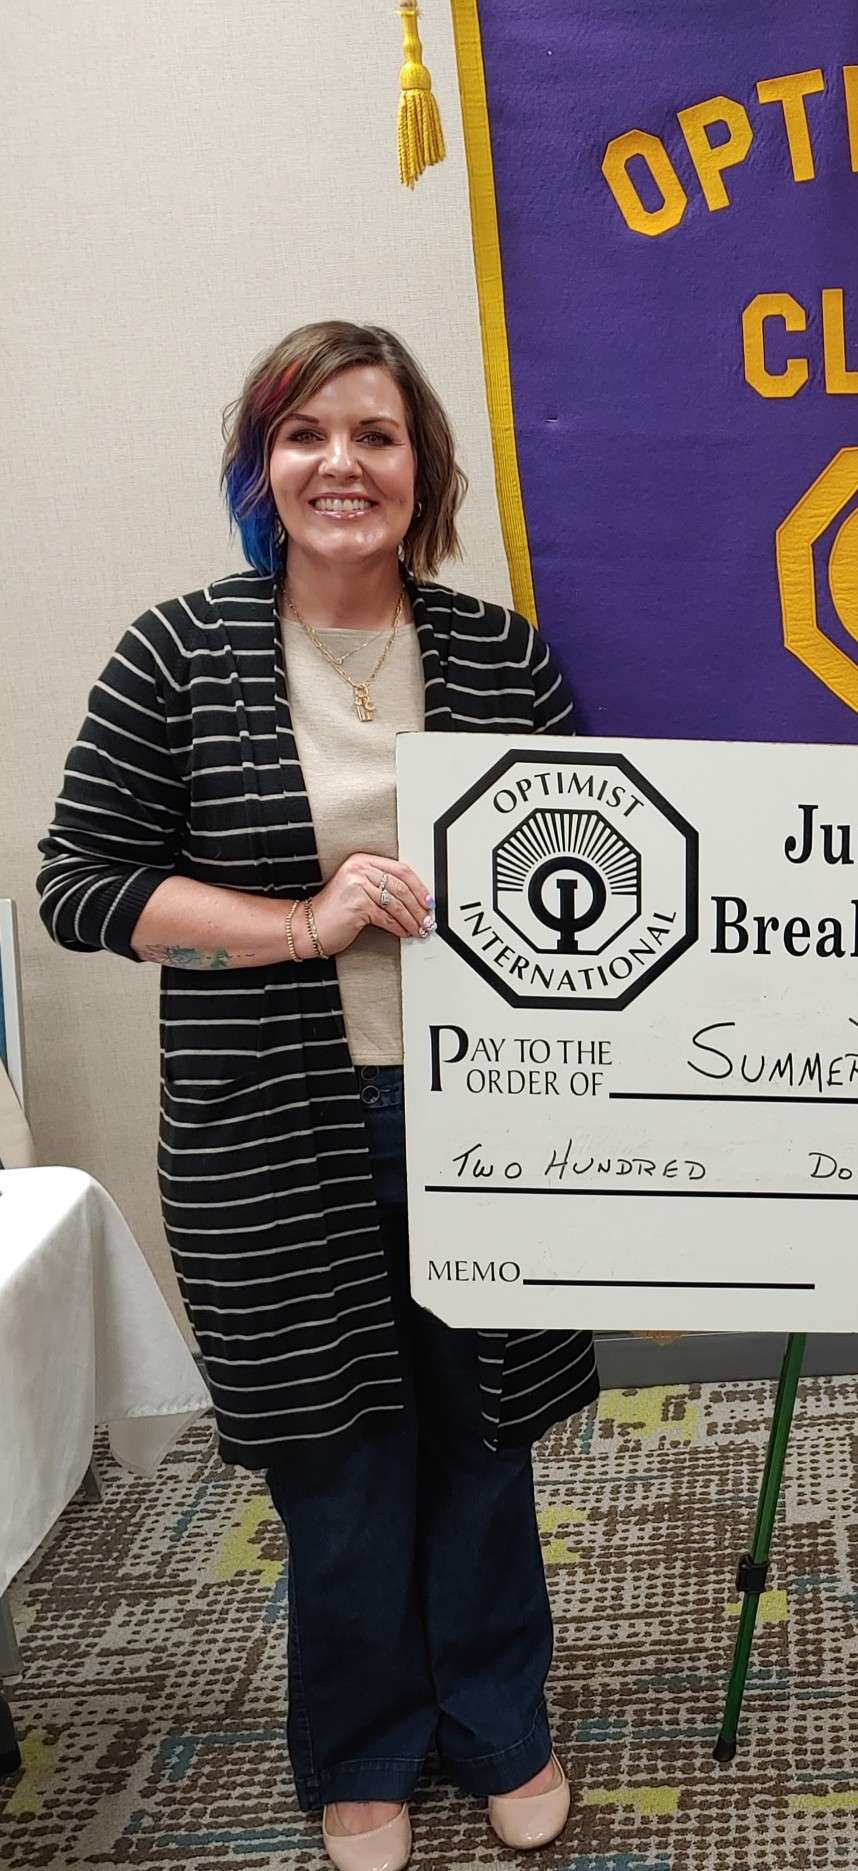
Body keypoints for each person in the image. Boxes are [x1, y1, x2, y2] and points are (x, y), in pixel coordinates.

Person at [38, 322, 595, 1870]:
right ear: (260, 467)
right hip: (272, 1127)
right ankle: (359, 1752)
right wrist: (299, 920)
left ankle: (503, 1721)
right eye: (304, 436)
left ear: (423, 474)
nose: (340, 464)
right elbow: (83, 890)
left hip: (485, 1111)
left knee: (481, 1439)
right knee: (337, 1462)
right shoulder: (177, 653)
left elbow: (593, 870)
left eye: (376, 435)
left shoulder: (496, 655)